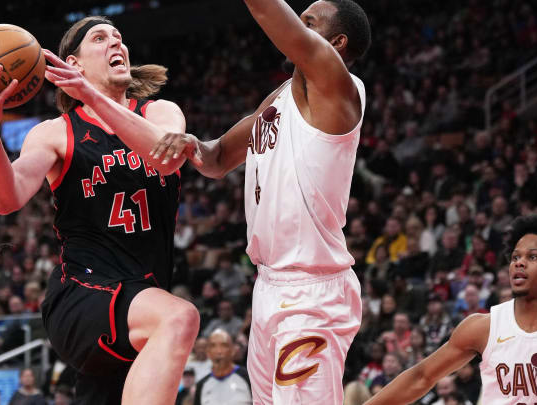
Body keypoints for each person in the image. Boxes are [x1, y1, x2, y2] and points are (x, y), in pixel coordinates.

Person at [0, 15, 200, 405]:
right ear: (74, 65)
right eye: (100, 38)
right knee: (181, 317)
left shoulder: (160, 112)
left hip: (143, 305)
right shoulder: (56, 132)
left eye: (119, 38)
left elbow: (165, 158)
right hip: (84, 294)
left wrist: (93, 96)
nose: (116, 43)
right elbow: (6, 198)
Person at [150, 1, 371, 403]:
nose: (298, 27)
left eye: (309, 23)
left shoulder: (339, 86)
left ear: (336, 43)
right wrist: (192, 145)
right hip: (268, 287)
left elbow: (270, 13)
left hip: (311, 293)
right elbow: (216, 159)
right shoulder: (283, 96)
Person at [364, 215, 537, 404]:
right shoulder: (482, 327)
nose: (519, 263)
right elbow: (421, 377)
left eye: (532, 257)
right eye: (515, 257)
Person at [194, 329, 252, 405]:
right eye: (213, 346)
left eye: (224, 345)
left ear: (233, 350)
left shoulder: (248, 377)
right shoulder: (201, 385)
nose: (219, 351)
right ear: (208, 352)